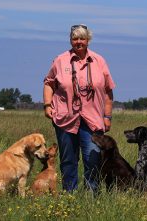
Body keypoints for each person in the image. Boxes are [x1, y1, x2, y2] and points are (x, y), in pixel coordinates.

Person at [43, 24, 115, 193]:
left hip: (93, 120)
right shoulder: (60, 60)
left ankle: (92, 197)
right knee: (69, 160)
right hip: (65, 118)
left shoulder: (99, 61)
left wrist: (107, 117)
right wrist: (47, 105)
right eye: (75, 38)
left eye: (82, 38)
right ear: (70, 40)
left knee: (93, 158)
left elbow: (108, 91)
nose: (78, 42)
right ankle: (70, 195)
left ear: (88, 40)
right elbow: (48, 83)